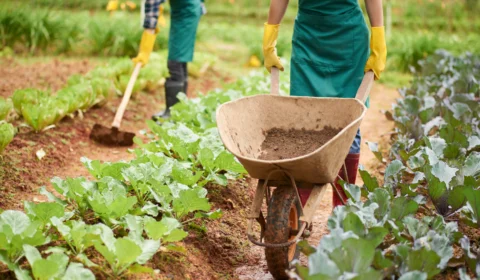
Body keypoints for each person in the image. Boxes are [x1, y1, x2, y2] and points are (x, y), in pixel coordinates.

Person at [263, 0, 387, 208]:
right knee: (303, 117)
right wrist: (270, 38)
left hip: (348, 39)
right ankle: (299, 204)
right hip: (308, 38)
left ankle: (343, 208)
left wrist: (378, 39)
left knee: (348, 119)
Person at [124, 0, 206, 120]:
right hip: (186, 10)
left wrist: (145, 49)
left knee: (175, 61)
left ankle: (172, 114)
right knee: (180, 59)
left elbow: (152, 9)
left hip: (186, 13)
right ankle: (179, 110)